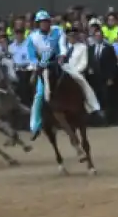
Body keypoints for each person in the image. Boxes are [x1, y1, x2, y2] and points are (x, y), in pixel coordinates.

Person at [27, 10, 101, 140]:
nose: (45, 24)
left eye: (46, 22)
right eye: (42, 22)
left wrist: (62, 55)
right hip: (43, 67)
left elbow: (62, 46)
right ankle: (35, 126)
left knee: (79, 79)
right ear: (38, 24)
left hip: (59, 63)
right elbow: (31, 56)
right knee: (39, 95)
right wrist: (37, 65)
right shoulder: (32, 37)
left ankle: (93, 106)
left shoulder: (57, 30)